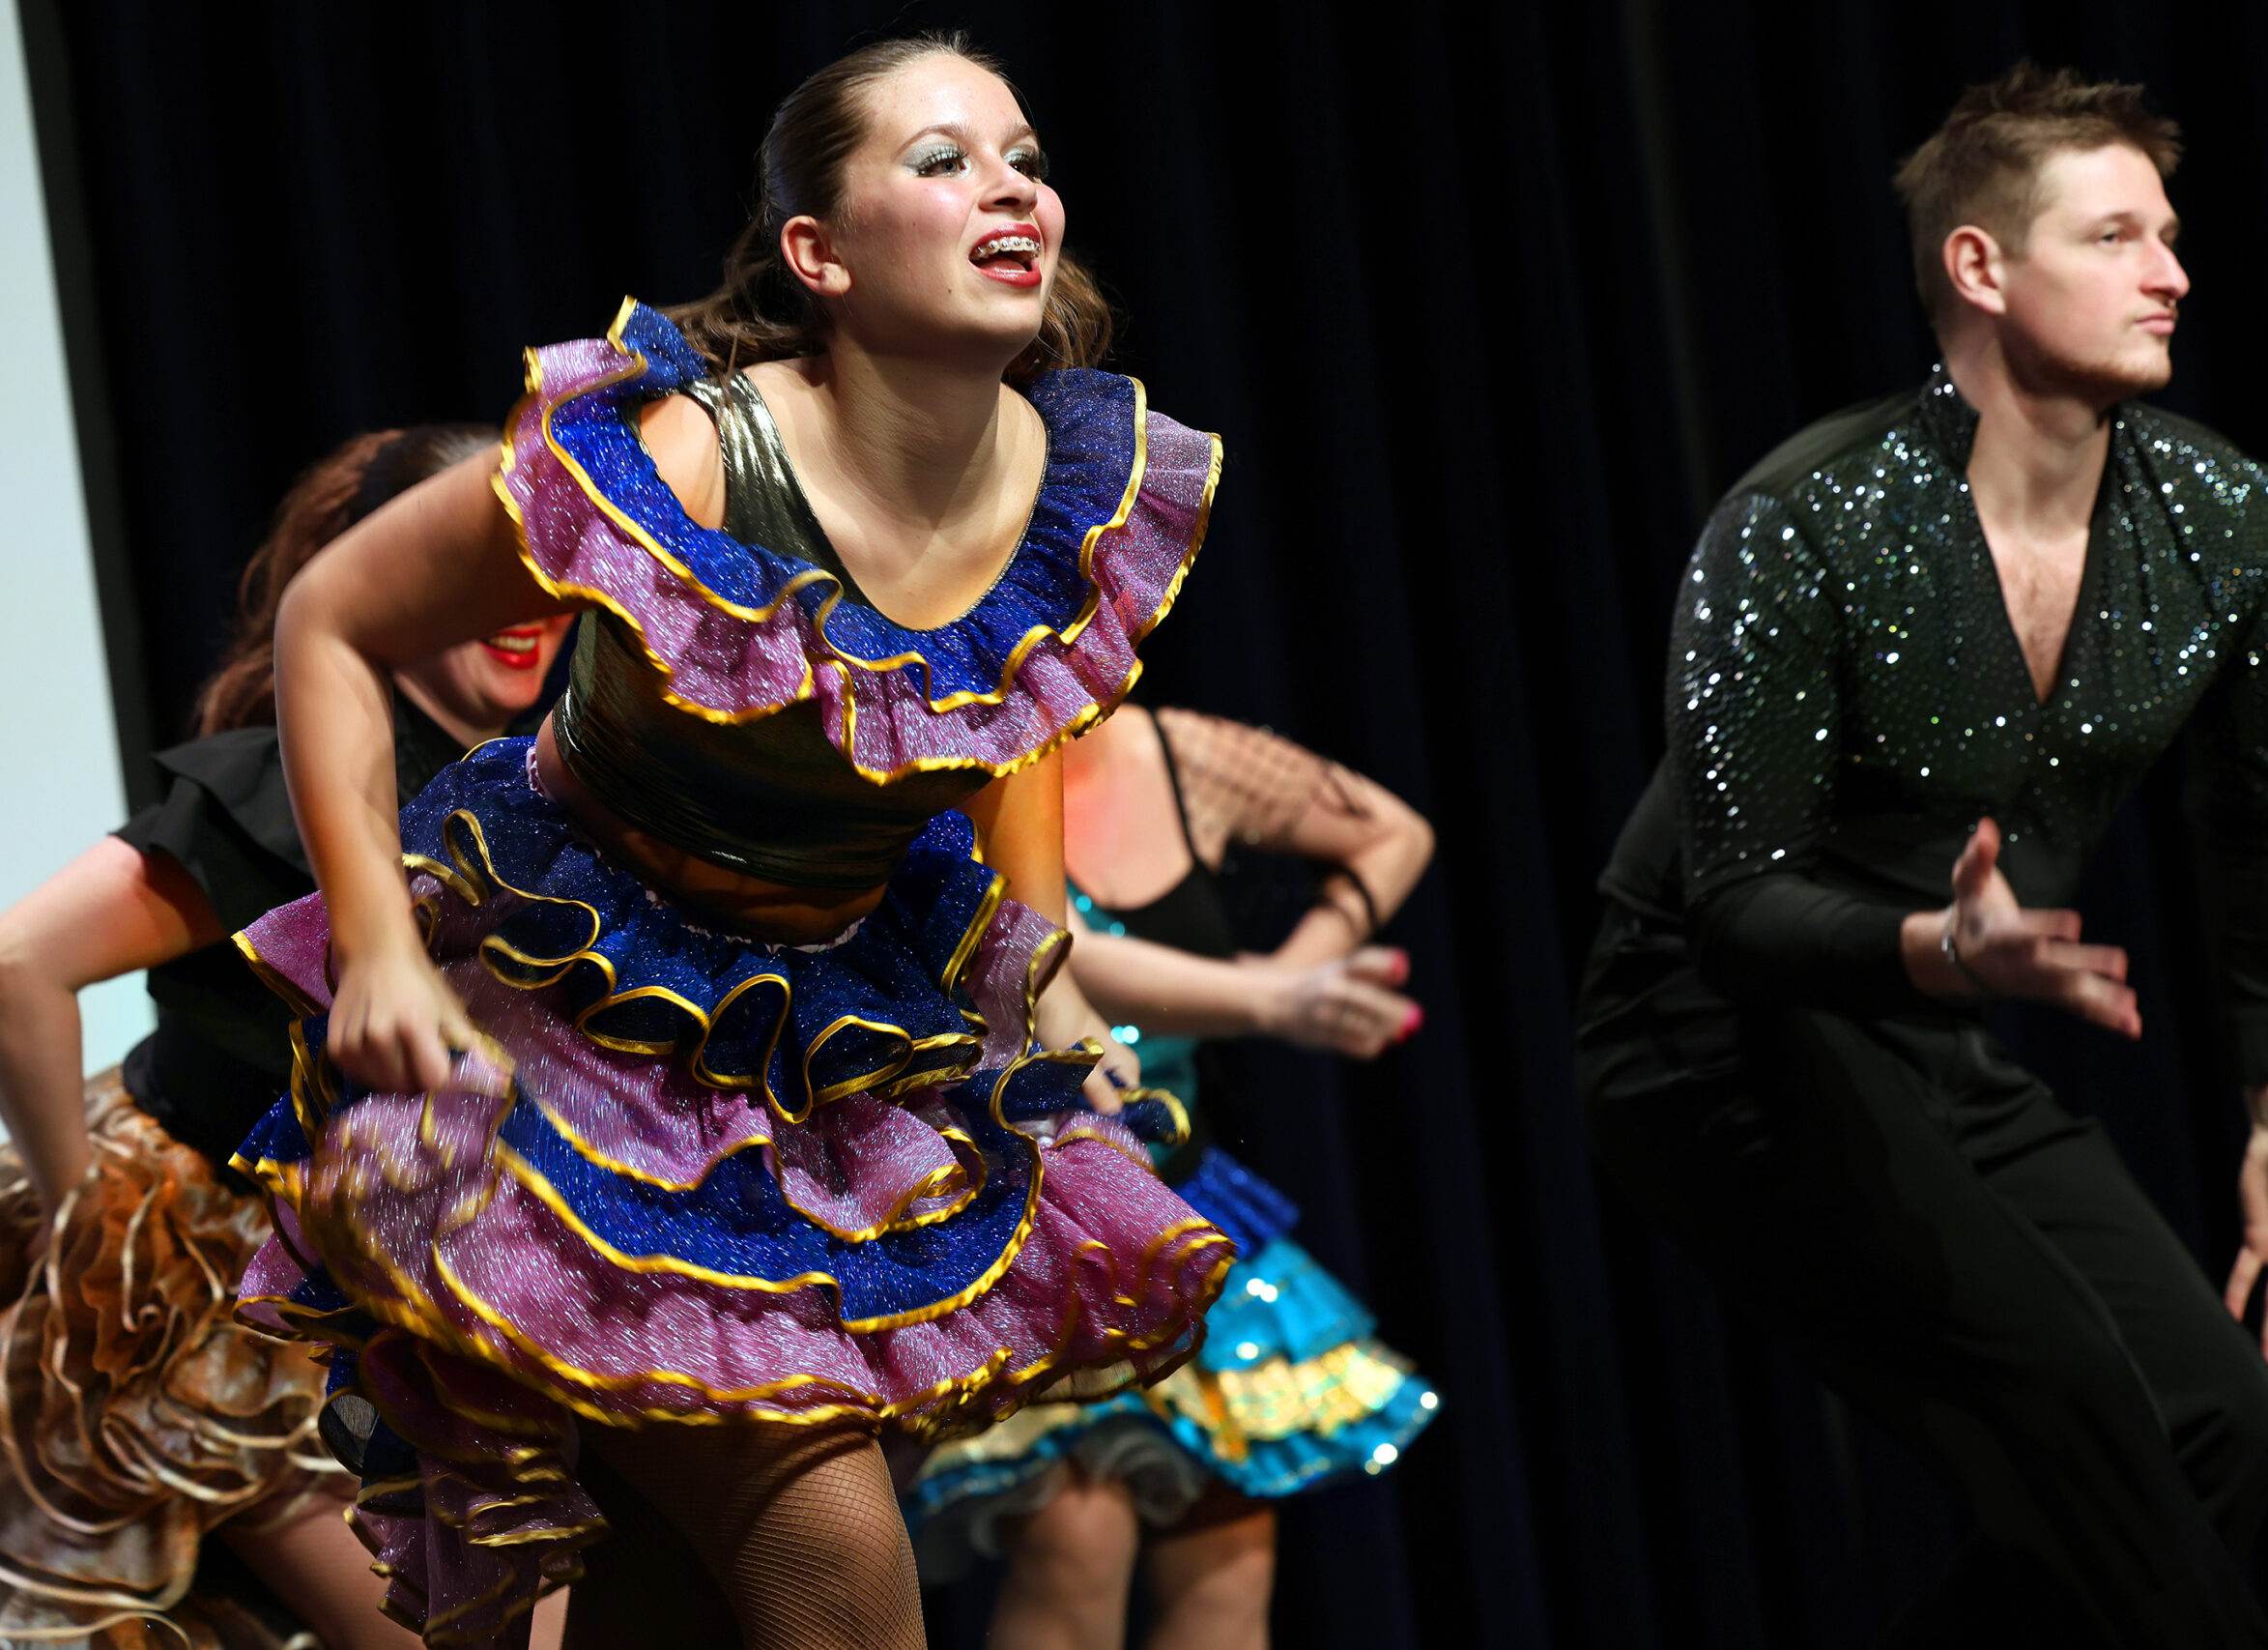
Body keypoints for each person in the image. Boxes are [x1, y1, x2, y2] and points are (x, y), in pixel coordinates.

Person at [224, 34, 1235, 1650]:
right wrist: (381, 951)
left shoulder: (1075, 494)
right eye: (943, 160)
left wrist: (1042, 987)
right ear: (818, 255)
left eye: (1027, 160)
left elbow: (1002, 728)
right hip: (577, 1044)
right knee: (839, 1566)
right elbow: (332, 618)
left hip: (830, 1054)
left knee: (674, 1605)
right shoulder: (690, 455)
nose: (1011, 191)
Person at [1573, 63, 2268, 1648]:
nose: (2171, 272)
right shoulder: (1806, 520)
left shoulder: (2240, 528)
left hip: (1931, 1036)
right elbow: (1730, 905)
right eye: (2115, 236)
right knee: (2074, 1400)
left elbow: (2261, 811)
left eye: (2170, 234)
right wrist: (1936, 949)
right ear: (1982, 265)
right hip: (1709, 1038)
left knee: (2222, 1418)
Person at [0, 425, 571, 1650]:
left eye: (547, 562)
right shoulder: (293, 787)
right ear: (390, 569)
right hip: (205, 1289)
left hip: (395, 1302)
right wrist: (85, 1237)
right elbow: (18, 964)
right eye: (481, 565)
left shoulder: (543, 796)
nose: (523, 603)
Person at [905, 703, 1441, 1650]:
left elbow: (1396, 833)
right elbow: (1048, 944)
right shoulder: (973, 754)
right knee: (1079, 1535)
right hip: (1034, 1212)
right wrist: (1269, 996)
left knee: (1229, 1550)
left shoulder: (1181, 754)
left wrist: (1296, 977)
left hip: (1177, 1193)